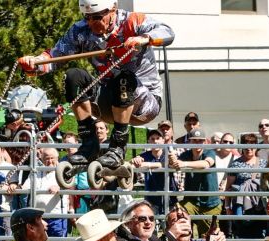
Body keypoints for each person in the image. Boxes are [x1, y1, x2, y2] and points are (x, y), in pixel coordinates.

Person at [18, 1, 175, 173]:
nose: (92, 23)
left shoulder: (132, 21)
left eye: (97, 17)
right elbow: (55, 56)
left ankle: (117, 147)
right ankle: (89, 144)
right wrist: (35, 63)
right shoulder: (81, 30)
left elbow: (167, 32)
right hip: (107, 100)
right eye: (88, 17)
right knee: (73, 76)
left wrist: (144, 38)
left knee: (122, 77)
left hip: (144, 103)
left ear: (113, 10)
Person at [225, 133, 266, 241]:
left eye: (252, 145)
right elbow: (228, 187)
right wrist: (227, 207)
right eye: (246, 145)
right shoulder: (235, 164)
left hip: (257, 205)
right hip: (239, 205)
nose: (249, 148)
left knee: (256, 237)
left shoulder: (263, 163)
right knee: (242, 237)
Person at [169, 128, 222, 237]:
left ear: (205, 142)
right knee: (179, 215)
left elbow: (206, 164)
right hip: (191, 201)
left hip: (210, 204)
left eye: (200, 141)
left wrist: (183, 164)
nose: (197, 143)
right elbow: (174, 165)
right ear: (190, 142)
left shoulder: (209, 152)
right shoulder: (186, 155)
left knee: (208, 237)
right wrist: (172, 160)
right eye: (194, 141)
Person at [23, 147, 69, 241]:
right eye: (46, 158)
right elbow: (25, 187)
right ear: (42, 159)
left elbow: (70, 185)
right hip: (38, 217)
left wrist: (60, 186)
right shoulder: (36, 171)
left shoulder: (63, 171)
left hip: (57, 215)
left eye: (52, 158)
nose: (49, 161)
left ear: (57, 158)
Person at [129, 128, 178, 215]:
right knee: (152, 224)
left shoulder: (168, 154)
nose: (155, 141)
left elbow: (166, 164)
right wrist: (135, 160)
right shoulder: (144, 155)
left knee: (169, 224)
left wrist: (146, 164)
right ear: (148, 141)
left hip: (169, 198)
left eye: (158, 138)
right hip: (151, 199)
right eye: (152, 139)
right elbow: (131, 164)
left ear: (163, 140)